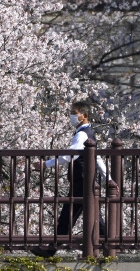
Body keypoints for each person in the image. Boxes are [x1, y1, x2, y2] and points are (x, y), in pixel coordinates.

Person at [30, 101, 118, 258]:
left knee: (68, 216)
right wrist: (108, 178)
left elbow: (70, 155)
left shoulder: (82, 134)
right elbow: (96, 159)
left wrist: (46, 164)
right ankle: (110, 246)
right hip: (86, 182)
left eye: (74, 113)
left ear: (84, 116)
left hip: (81, 182)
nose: (71, 116)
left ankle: (51, 249)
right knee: (93, 217)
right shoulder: (88, 134)